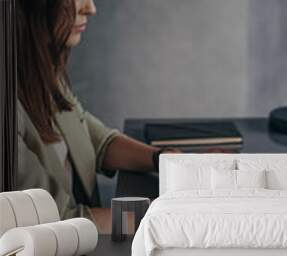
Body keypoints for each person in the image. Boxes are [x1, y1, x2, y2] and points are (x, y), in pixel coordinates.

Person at [16, 0, 181, 223]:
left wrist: (166, 160)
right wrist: (168, 217)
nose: (90, 8)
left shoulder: (40, 70)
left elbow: (93, 138)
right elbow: (58, 222)